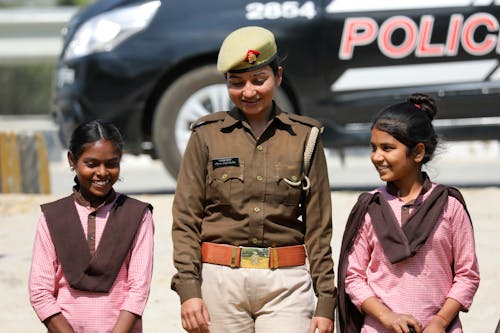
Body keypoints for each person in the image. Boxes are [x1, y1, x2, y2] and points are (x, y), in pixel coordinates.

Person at [171, 26, 336, 333]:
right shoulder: (206, 136)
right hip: (220, 282)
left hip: (286, 284)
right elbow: (185, 220)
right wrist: (189, 292)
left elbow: (319, 228)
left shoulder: (305, 138)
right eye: (237, 83)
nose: (248, 91)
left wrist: (326, 300)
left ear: (279, 76)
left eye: (259, 80)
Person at [337, 93, 480, 333]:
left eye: (387, 148)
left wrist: (440, 321)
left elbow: (467, 275)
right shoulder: (371, 207)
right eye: (373, 148)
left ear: (417, 152)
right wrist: (387, 316)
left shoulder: (449, 206)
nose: (377, 157)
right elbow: (353, 277)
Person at [29, 119, 155, 333]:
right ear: (72, 160)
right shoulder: (53, 216)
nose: (102, 172)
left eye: (111, 163)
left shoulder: (136, 215)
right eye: (92, 164)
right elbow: (40, 292)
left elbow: (138, 290)